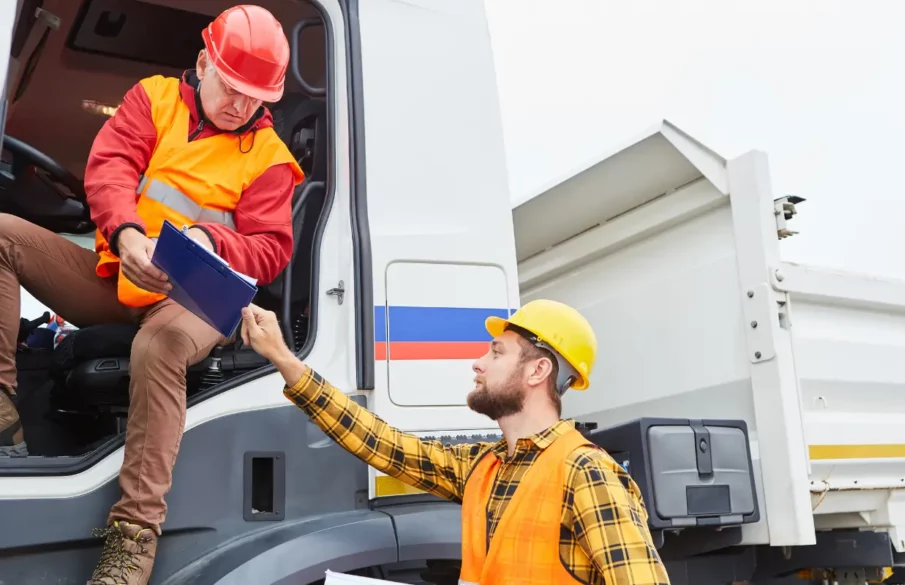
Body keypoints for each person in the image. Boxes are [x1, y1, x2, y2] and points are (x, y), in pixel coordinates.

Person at [0, 5, 304, 584]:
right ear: (202, 63)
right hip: (125, 272)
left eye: (254, 97)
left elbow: (270, 250)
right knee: (2, 237)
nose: (241, 105)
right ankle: (1, 411)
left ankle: (132, 545)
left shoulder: (269, 159)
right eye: (231, 87)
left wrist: (208, 239)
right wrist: (129, 234)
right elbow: (110, 167)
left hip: (195, 300)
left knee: (157, 348)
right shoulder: (153, 98)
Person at [240, 299, 671, 584]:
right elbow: (382, 444)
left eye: (496, 352)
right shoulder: (483, 467)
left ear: (537, 372)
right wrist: (283, 358)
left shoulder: (586, 473)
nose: (477, 363)